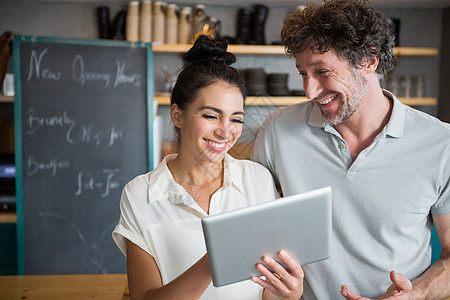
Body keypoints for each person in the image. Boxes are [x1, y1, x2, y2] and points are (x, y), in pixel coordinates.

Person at [251, 0, 450, 299]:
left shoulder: (441, 144)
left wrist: (417, 294)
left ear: (369, 61)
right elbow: (253, 232)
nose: (310, 91)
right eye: (303, 73)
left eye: (322, 71)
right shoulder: (278, 131)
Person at [112, 35, 304, 300]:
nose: (225, 131)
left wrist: (290, 294)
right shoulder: (139, 194)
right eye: (211, 115)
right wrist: (214, 260)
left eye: (236, 119)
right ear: (177, 115)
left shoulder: (258, 179)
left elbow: (267, 291)